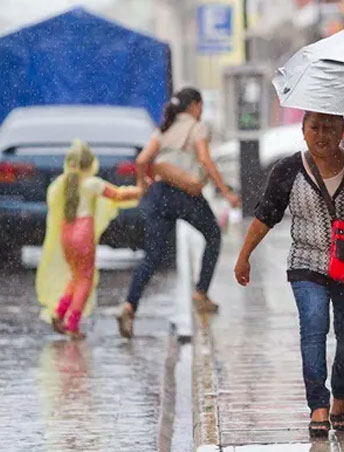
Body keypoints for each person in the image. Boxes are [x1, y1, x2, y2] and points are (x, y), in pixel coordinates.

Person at [234, 111, 344, 438]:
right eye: (314, 127)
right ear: (303, 131)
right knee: (315, 325)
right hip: (307, 263)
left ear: (342, 130)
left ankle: (341, 395)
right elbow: (266, 215)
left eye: (329, 127)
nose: (322, 135)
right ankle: (318, 403)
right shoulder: (288, 169)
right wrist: (244, 256)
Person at [117, 87, 240, 338]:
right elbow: (205, 160)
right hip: (186, 195)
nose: (201, 111)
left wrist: (143, 184)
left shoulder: (164, 129)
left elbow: (142, 160)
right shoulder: (197, 127)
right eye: (200, 106)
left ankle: (130, 305)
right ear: (194, 106)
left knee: (152, 255)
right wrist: (225, 190)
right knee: (213, 235)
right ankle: (201, 292)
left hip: (160, 194)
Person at [36, 139, 142, 340]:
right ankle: (72, 324)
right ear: (90, 163)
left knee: (75, 276)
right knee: (85, 279)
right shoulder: (92, 183)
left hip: (66, 233)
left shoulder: (63, 184)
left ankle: (59, 313)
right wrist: (141, 190)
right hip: (83, 234)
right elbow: (118, 195)